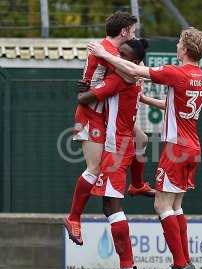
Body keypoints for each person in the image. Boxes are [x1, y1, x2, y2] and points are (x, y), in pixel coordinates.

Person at [87, 27, 202, 269]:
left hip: (176, 147)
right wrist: (145, 100)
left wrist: (104, 54)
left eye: (178, 43)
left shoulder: (177, 72)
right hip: (193, 147)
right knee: (175, 205)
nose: (176, 46)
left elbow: (133, 70)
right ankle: (186, 262)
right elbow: (171, 104)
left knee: (161, 204)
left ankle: (178, 264)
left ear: (185, 49)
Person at [77, 38, 149, 269]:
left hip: (116, 148)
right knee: (110, 207)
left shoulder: (121, 79)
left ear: (135, 62)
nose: (118, 57)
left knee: (112, 207)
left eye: (124, 56)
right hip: (120, 145)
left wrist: (85, 88)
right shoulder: (131, 76)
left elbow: (84, 99)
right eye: (118, 52)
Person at [64, 12, 138, 246]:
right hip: (90, 114)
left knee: (139, 139)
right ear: (124, 31)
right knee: (94, 168)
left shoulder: (105, 49)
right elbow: (130, 73)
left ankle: (137, 184)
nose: (135, 35)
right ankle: (74, 218)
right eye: (133, 31)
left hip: (101, 115)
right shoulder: (110, 51)